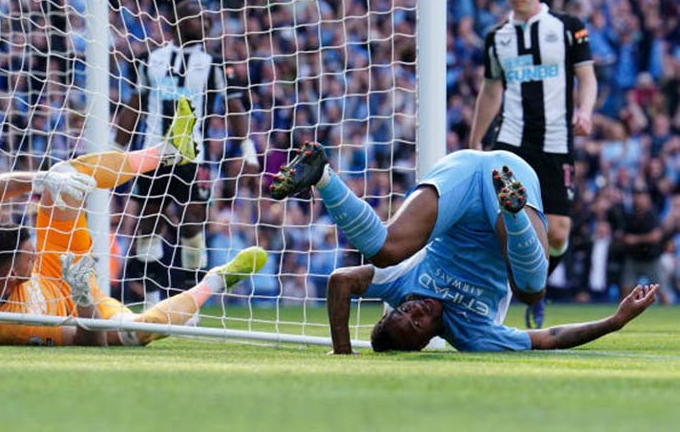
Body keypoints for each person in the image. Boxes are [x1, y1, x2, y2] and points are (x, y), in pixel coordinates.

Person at [269, 142, 657, 353]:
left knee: (385, 249)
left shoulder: (402, 284)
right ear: (427, 340)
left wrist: (342, 352)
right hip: (509, 186)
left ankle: (323, 176)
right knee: (530, 290)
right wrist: (614, 321)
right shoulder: (472, 335)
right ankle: (513, 212)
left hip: (464, 174)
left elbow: (340, 281)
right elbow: (549, 337)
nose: (415, 311)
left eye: (403, 311)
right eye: (416, 324)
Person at [0, 98, 267, 346]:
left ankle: (165, 152)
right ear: (12, 273)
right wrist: (82, 296)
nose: (33, 258)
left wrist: (41, 179)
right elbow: (90, 341)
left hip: (57, 264)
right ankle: (216, 281)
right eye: (29, 258)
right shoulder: (15, 326)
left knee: (64, 176)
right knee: (138, 333)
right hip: (81, 308)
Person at [468, 0, 598, 328]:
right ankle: (495, 296)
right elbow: (491, 90)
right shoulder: (497, 37)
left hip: (556, 142)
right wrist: (476, 140)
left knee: (557, 234)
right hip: (510, 141)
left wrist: (585, 111)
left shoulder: (568, 27)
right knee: (503, 226)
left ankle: (534, 290)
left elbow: (587, 78)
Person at [114, 0, 259, 304]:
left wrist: (249, 152)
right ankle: (152, 303)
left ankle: (191, 304)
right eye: (197, 17)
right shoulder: (148, 60)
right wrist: (115, 151)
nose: (205, 23)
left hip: (194, 157)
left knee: (193, 221)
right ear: (177, 21)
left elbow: (234, 107)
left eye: (207, 19)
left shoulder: (215, 64)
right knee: (149, 223)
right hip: (153, 155)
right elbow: (134, 106)